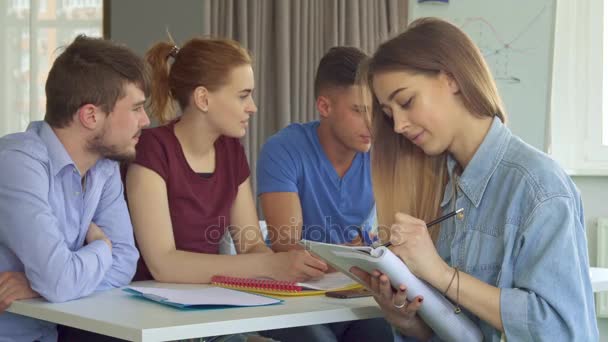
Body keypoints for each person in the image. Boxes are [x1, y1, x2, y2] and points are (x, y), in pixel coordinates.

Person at [351, 17, 599, 341]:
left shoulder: (539, 186)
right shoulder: (442, 189)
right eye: (388, 113)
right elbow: (463, 331)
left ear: (451, 78)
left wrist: (440, 274)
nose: (398, 125)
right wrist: (407, 319)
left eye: (407, 102)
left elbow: (558, 329)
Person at [125, 37, 328, 288]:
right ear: (203, 99)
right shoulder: (152, 150)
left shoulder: (231, 151)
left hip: (213, 298)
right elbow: (164, 264)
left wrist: (291, 267)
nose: (252, 107)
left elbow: (250, 244)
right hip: (153, 307)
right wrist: (270, 265)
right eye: (243, 96)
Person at [0, 35, 146, 342]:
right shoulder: (17, 163)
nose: (145, 120)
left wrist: (38, 285)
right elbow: (63, 278)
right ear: (91, 115)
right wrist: (102, 247)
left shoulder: (103, 168)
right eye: (135, 108)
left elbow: (125, 264)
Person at [256, 46, 393, 341]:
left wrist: (366, 254)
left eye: (375, 110)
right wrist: (353, 256)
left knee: (386, 334)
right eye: (358, 110)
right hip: (292, 296)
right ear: (324, 106)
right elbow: (287, 247)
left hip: (349, 292)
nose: (372, 124)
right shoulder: (283, 149)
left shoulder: (381, 155)